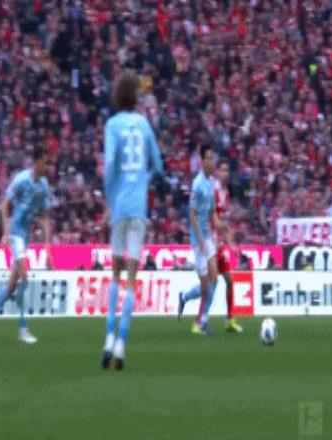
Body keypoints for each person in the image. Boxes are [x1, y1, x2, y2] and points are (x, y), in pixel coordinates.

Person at [101, 71, 163, 371]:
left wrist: (109, 199)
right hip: (138, 207)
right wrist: (143, 181)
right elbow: (158, 166)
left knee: (115, 274)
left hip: (119, 207)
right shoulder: (144, 124)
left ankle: (108, 338)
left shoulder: (112, 125)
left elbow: (110, 164)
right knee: (131, 279)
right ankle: (122, 343)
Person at [0, 148, 52, 344]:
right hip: (15, 233)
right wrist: (5, 232)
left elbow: (45, 217)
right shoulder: (21, 179)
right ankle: (22, 328)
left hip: (25, 237)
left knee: (12, 286)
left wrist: (47, 248)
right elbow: (4, 205)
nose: (48, 166)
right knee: (25, 278)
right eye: (45, 162)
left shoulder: (44, 186)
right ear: (36, 162)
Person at [177, 159, 242, 333]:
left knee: (228, 281)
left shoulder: (226, 194)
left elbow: (221, 221)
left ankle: (229, 320)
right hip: (209, 243)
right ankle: (198, 321)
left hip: (218, 244)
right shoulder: (212, 191)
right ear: (217, 172)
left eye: (227, 170)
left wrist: (230, 243)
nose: (225, 173)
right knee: (211, 284)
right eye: (223, 170)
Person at [177, 145, 221, 336]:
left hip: (207, 236)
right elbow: (192, 213)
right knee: (205, 287)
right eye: (208, 158)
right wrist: (201, 239)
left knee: (215, 279)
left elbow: (212, 212)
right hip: (198, 240)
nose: (212, 162)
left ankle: (202, 320)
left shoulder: (211, 183)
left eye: (213, 158)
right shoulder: (197, 184)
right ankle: (185, 297)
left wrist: (220, 226)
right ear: (202, 161)